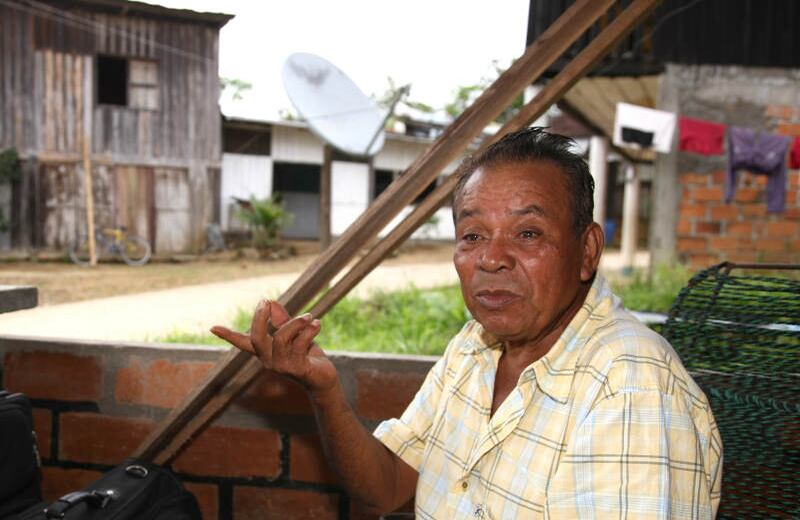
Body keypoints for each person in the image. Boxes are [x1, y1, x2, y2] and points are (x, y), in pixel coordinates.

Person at [212, 128, 722, 519]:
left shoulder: (630, 388)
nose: (492, 259)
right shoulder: (475, 346)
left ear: (586, 250)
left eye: (527, 233)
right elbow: (386, 486)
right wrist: (324, 392)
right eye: (473, 235)